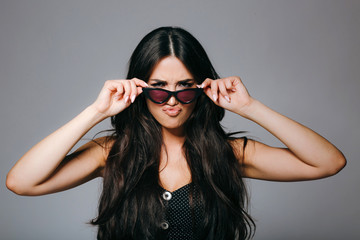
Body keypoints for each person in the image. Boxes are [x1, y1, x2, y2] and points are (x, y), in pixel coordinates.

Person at [6, 26, 346, 240]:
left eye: (185, 88)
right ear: (139, 89)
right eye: (158, 89)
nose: (172, 101)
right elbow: (21, 182)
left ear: (201, 89)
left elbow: (328, 163)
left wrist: (250, 107)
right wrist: (96, 112)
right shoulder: (111, 152)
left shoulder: (230, 154)